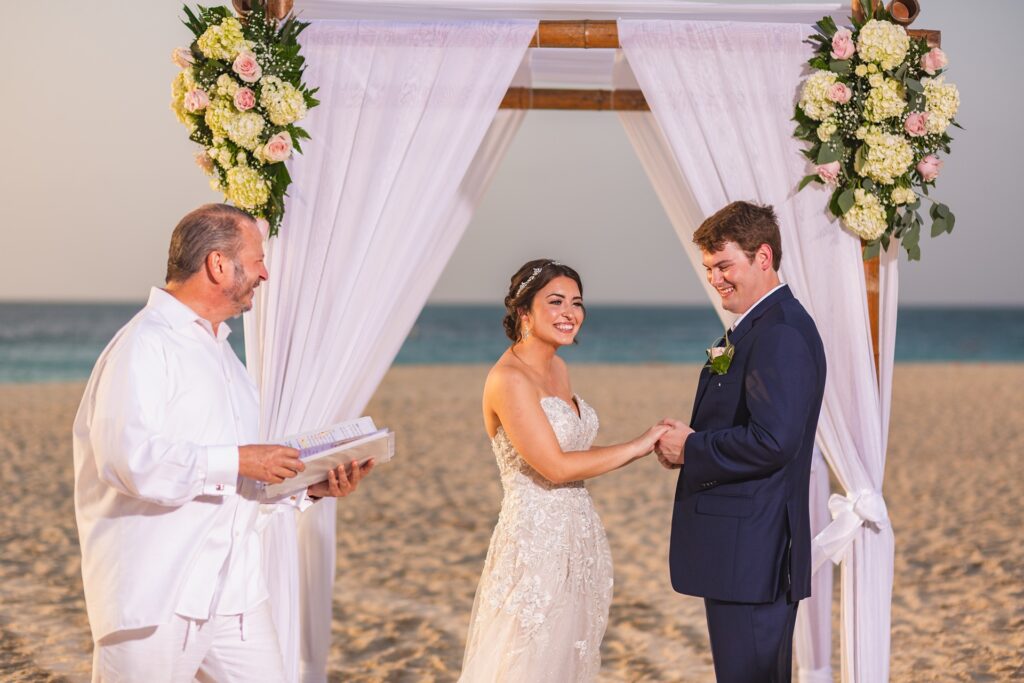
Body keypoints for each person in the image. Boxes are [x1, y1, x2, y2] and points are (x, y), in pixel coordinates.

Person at [72, 203, 373, 682]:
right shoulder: (145, 345)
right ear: (217, 264)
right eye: (256, 260)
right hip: (156, 596)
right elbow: (128, 460)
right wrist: (238, 460)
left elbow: (234, 484)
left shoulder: (223, 355)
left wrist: (309, 488)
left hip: (234, 595)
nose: (265, 273)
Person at [459, 259, 669, 682]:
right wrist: (639, 445)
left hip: (577, 536)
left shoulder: (558, 368)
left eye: (577, 303)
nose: (570, 313)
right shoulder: (508, 379)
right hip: (535, 542)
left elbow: (572, 450)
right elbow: (554, 466)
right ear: (524, 312)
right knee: (529, 658)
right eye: (555, 302)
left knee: (569, 658)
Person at [654, 201, 826, 682]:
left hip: (754, 552)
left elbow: (774, 440)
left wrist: (691, 449)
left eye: (724, 265)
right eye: (709, 268)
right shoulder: (760, 325)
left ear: (763, 257)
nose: (715, 278)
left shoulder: (781, 334)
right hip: (745, 551)